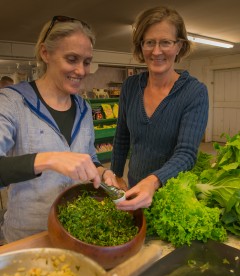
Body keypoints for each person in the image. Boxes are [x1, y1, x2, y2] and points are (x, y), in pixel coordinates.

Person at [0, 15, 117, 243]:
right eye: (71, 59)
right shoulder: (12, 103)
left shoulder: (83, 106)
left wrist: (103, 173)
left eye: (86, 61)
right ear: (45, 53)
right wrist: (49, 159)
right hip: (30, 237)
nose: (81, 71)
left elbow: (89, 156)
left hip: (76, 231)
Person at [111, 6, 209, 210]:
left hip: (174, 195)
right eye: (149, 43)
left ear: (179, 46)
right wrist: (116, 174)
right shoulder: (130, 87)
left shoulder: (194, 92)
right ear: (141, 46)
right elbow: (121, 137)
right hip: (135, 187)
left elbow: (187, 153)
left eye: (165, 42)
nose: (156, 51)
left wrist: (153, 181)